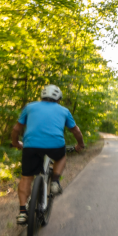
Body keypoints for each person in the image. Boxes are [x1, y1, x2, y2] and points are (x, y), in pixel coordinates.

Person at [11, 84, 85, 224]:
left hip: (30, 146)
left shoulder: (30, 107)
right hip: (55, 146)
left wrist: (16, 143)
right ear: (58, 98)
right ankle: (55, 181)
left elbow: (16, 129)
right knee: (61, 156)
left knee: (26, 178)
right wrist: (80, 144)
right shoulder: (64, 110)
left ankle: (22, 212)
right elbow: (76, 131)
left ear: (42, 96)